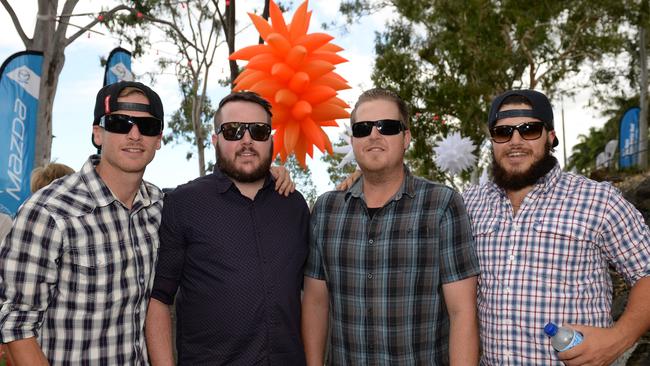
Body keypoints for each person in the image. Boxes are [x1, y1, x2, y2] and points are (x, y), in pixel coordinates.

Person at [462, 89, 650, 365]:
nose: (515, 141)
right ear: (492, 141)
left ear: (550, 137)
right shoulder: (470, 204)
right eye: (503, 132)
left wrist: (619, 337)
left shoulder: (598, 200)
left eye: (529, 129)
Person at [302, 88, 480, 365]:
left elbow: (462, 312)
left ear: (406, 137)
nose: (374, 135)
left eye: (387, 126)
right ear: (353, 140)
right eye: (362, 128)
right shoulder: (326, 210)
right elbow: (315, 303)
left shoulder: (442, 204)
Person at [0, 81, 165, 364]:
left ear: (158, 139)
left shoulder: (158, 206)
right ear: (97, 133)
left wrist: (269, 176)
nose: (134, 134)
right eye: (119, 123)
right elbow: (17, 324)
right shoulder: (49, 211)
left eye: (146, 126)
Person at [145, 91, 310, 365]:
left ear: (270, 139)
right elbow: (158, 300)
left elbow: (315, 294)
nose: (247, 140)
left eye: (258, 131)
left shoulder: (293, 205)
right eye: (233, 131)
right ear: (215, 140)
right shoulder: (183, 203)